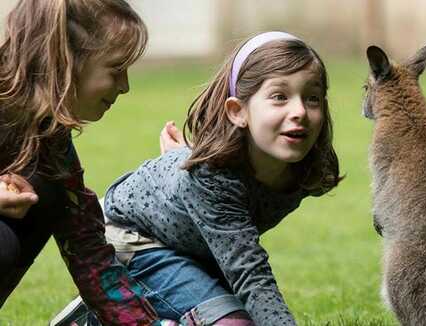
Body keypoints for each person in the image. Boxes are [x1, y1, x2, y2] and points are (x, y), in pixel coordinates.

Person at [58, 31, 342, 325]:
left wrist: (180, 158)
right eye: (279, 97)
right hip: (131, 238)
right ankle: (107, 312)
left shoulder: (301, 168)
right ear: (238, 111)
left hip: (191, 248)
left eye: (312, 98)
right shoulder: (211, 178)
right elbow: (250, 274)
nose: (299, 112)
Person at [0, 0, 164, 324]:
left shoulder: (49, 142)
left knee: (51, 195)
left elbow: (88, 250)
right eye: (116, 70)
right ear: (66, 60)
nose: (126, 86)